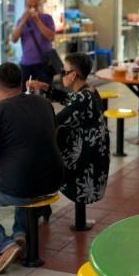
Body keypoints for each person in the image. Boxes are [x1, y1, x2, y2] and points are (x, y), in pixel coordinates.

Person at [0, 62, 63, 275]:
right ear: (20, 82)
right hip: (53, 182)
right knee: (20, 168)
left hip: (22, 188)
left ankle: (3, 246)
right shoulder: (43, 103)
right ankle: (20, 233)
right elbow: (52, 137)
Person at [27, 53, 110, 229]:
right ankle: (43, 205)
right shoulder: (90, 91)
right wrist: (43, 87)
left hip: (85, 159)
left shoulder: (82, 98)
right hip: (95, 153)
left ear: (73, 75)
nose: (61, 75)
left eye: (64, 71)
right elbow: (68, 100)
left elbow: (56, 121)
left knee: (40, 159)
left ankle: (41, 205)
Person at [11, 0, 56, 89]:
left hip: (44, 63)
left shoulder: (47, 18)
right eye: (29, 6)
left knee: (45, 94)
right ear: (25, 5)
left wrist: (37, 20)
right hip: (26, 63)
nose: (33, 8)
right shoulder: (21, 20)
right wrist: (23, 22)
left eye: (35, 5)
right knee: (25, 94)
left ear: (40, 5)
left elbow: (51, 37)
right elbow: (14, 39)